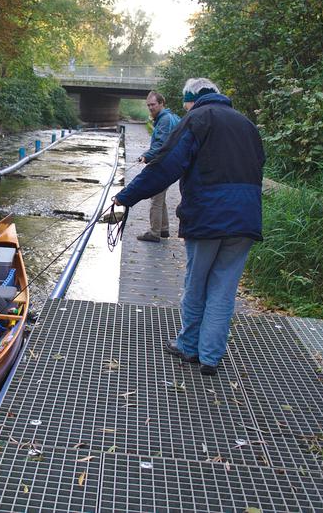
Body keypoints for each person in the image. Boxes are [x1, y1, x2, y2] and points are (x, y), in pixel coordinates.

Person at [113, 78, 264, 375]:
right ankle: (210, 357)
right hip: (246, 219)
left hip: (206, 217)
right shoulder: (247, 125)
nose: (186, 108)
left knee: (196, 283)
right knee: (223, 290)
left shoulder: (196, 119)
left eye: (186, 103)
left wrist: (126, 196)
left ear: (192, 99)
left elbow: (167, 165)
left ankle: (188, 346)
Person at [135, 91, 181, 242]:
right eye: (148, 105)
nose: (150, 108)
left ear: (162, 103)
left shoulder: (165, 120)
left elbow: (161, 144)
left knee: (155, 198)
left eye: (153, 104)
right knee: (160, 197)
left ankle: (154, 233)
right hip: (172, 164)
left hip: (164, 164)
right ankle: (164, 229)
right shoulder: (171, 117)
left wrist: (146, 156)